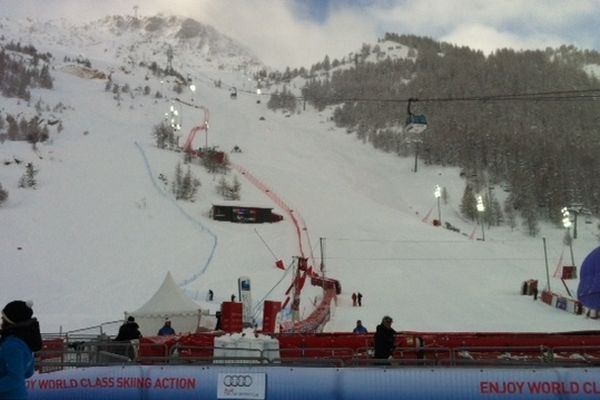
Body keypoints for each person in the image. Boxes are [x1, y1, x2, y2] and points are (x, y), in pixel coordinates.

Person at [0, 300, 42, 400]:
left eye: (3, 319)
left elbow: (15, 379)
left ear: (10, 321)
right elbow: (28, 372)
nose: (1, 322)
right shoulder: (25, 341)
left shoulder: (12, 345)